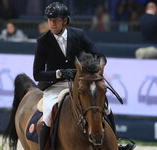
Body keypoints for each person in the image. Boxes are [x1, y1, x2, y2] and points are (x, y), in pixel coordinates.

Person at [33, 2, 136, 150]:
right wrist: (59, 73)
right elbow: (37, 74)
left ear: (65, 21)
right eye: (50, 19)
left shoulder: (78, 35)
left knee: (106, 108)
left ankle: (115, 142)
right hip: (55, 86)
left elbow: (99, 55)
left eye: (56, 20)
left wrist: (97, 66)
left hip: (81, 83)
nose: (52, 23)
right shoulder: (42, 41)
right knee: (48, 114)